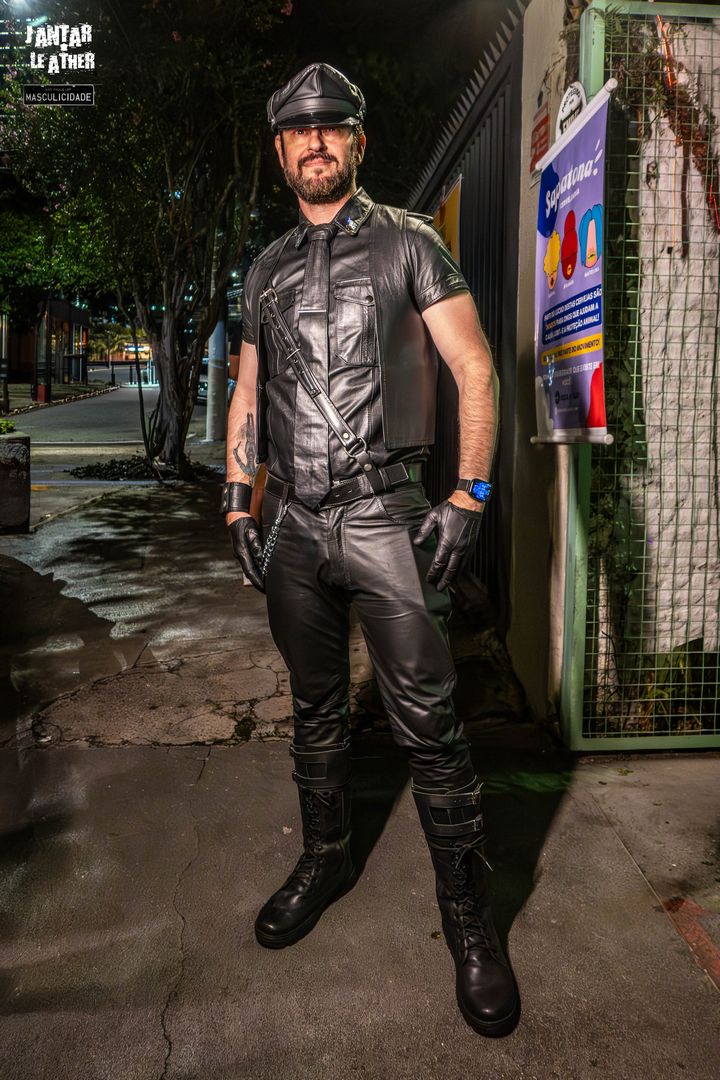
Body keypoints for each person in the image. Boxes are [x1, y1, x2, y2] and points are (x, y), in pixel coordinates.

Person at [222, 62, 520, 1038]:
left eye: (331, 126)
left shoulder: (409, 242)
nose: (314, 142)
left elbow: (474, 365)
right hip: (292, 522)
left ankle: (469, 919)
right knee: (314, 709)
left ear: (357, 141)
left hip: (388, 512)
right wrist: (237, 504)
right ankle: (325, 858)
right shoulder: (264, 269)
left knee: (429, 724)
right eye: (297, 131)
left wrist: (469, 494)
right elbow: (249, 391)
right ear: (281, 152)